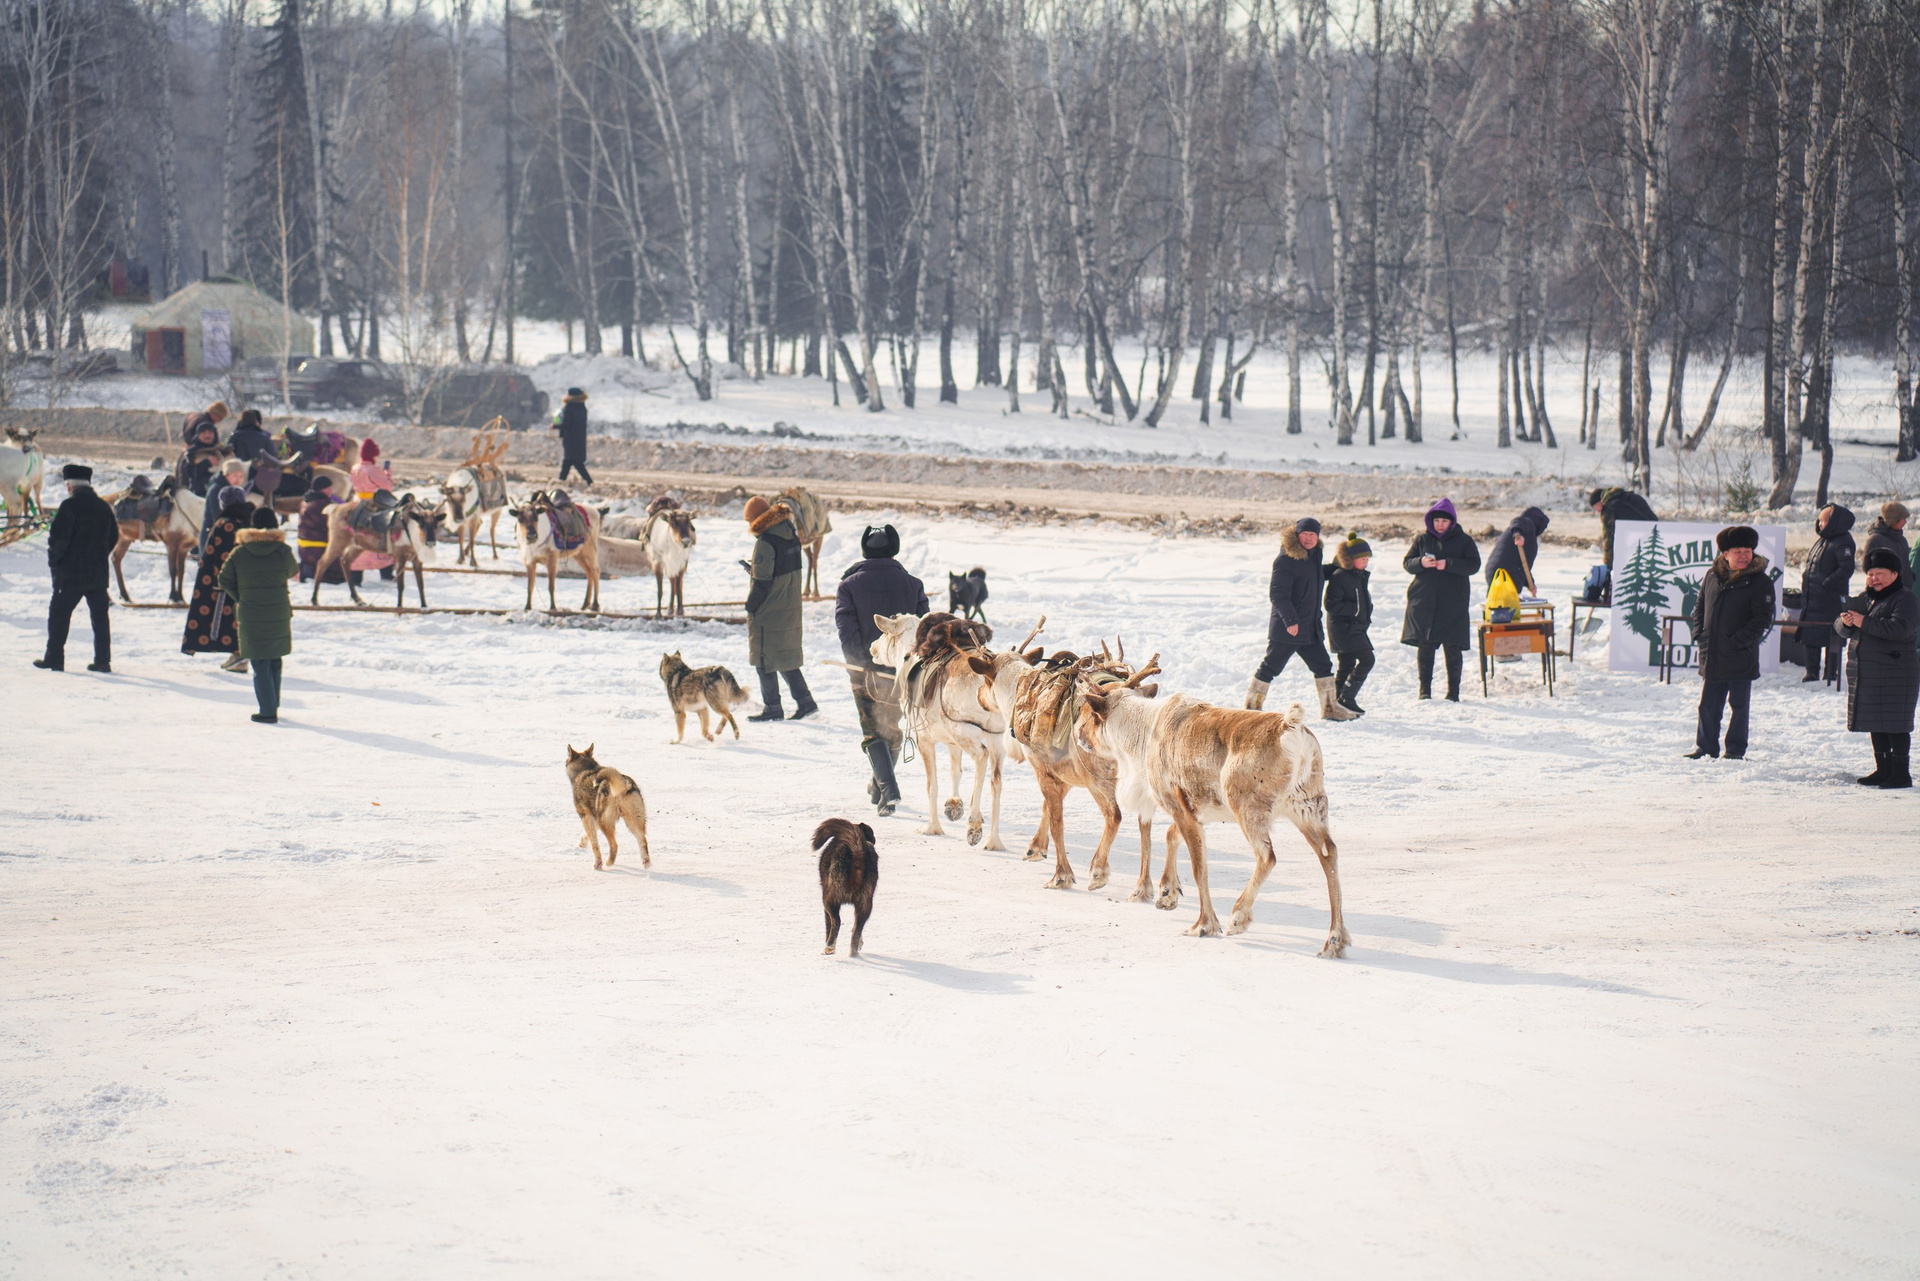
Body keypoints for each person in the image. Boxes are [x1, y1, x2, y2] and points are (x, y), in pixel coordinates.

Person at [834, 523, 929, 814]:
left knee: (873, 730)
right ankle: (880, 786)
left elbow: (847, 632)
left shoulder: (848, 586)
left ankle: (888, 790)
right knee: (893, 729)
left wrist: (859, 667)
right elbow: (924, 631)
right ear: (894, 549)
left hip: (866, 670)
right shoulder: (913, 584)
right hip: (905, 671)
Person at [1245, 518, 1354, 721]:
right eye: (1305, 534)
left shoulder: (1313, 556)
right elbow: (1278, 594)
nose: (1309, 538)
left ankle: (1330, 708)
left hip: (1309, 628)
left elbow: (1315, 576)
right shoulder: (1286, 560)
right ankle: (1251, 708)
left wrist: (1339, 564)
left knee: (1323, 666)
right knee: (1271, 667)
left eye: (1313, 535)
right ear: (1297, 535)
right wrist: (1290, 620)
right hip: (1288, 629)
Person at [1685, 525, 1774, 760]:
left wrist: (1738, 641)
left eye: (1748, 551)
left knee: (1739, 707)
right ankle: (1705, 747)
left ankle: (1734, 750)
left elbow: (1762, 619)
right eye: (1738, 551)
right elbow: (1700, 606)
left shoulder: (1760, 582)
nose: (1744, 556)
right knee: (1708, 706)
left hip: (1740, 655)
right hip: (1713, 654)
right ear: (1725, 554)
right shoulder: (1712, 576)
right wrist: (1699, 634)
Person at [1836, 548, 1919, 788]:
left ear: (1894, 574)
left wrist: (1863, 621)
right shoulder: (1867, 598)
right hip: (1871, 672)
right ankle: (1883, 770)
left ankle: (1901, 773)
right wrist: (1846, 622)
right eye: (1870, 574)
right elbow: (1840, 628)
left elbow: (1900, 628)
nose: (1874, 579)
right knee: (1876, 722)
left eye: (1880, 573)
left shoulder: (1905, 599)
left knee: (1896, 724)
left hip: (1897, 673)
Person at [34, 464, 120, 674]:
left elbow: (58, 539)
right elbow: (113, 536)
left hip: (70, 574)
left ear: (69, 486)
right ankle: (102, 661)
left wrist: (55, 562)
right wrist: (99, 555)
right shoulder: (103, 507)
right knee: (100, 619)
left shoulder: (69, 506)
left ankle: (54, 659)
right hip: (98, 574)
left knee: (59, 616)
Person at [219, 506, 298, 724]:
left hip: (251, 611)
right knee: (275, 658)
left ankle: (267, 711)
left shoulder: (240, 552)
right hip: (278, 610)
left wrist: (241, 596)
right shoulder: (282, 550)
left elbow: (224, 579)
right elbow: (292, 571)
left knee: (260, 661)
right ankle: (273, 704)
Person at [744, 494, 816, 721]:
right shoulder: (788, 534)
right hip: (789, 605)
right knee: (784, 656)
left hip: (770, 610)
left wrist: (751, 606)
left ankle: (773, 708)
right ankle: (806, 702)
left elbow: (763, 582)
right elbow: (779, 571)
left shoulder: (765, 542)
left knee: (763, 659)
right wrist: (754, 569)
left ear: (755, 520)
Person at [1401, 498, 1481, 701]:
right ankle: (1424, 690)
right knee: (1426, 647)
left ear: (1451, 522)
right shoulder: (1422, 539)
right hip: (1425, 603)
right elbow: (1408, 563)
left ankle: (1453, 692)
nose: (1440, 525)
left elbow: (1474, 565)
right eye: (1436, 521)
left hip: (1453, 604)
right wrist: (1421, 562)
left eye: (1444, 521)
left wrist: (1449, 564)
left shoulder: (1464, 541)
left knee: (1453, 648)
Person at [183, 486, 252, 671]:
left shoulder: (224, 524)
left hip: (223, 583)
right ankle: (239, 655)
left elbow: (216, 556)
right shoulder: (248, 522)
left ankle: (239, 655)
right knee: (240, 620)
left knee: (222, 619)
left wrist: (214, 582)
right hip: (247, 583)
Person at [1798, 504, 1856, 683]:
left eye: (1823, 521)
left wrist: (1826, 583)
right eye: (1819, 520)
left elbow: (1846, 569)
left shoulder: (1843, 541)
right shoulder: (1824, 540)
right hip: (1813, 599)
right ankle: (1811, 671)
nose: (1820, 524)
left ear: (1833, 522)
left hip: (1830, 600)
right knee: (1811, 635)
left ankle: (1831, 673)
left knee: (1833, 637)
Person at [1323, 532, 1374, 715]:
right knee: (1368, 659)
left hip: (1354, 627)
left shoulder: (1358, 575)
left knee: (1346, 664)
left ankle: (1335, 703)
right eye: (1362, 559)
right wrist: (1356, 609)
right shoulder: (1341, 576)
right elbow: (1331, 604)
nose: (1365, 562)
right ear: (1351, 559)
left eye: (1367, 559)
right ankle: (1348, 697)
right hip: (1343, 629)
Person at [1590, 486, 1659, 586]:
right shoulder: (1631, 497)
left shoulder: (1609, 508)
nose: (1597, 511)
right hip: (1655, 538)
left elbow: (1609, 539)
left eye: (1596, 506)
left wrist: (1608, 565)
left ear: (1600, 501)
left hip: (1636, 544)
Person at [349, 439, 395, 582]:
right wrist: (387, 473)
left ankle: (356, 575)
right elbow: (388, 486)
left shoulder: (355, 467)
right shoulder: (374, 469)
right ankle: (386, 572)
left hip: (357, 504)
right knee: (383, 536)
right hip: (373, 505)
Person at [1485, 506, 1550, 594]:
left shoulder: (1525, 534)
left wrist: (1531, 584)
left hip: (1495, 571)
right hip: (1506, 574)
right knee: (1506, 601)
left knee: (1498, 600)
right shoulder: (1527, 523)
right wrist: (1517, 535)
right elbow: (1517, 521)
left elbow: (1523, 565)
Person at [296, 475, 346, 584]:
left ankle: (307, 568)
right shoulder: (323, 505)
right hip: (317, 548)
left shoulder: (305, 502)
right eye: (329, 488)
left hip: (304, 549)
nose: (331, 490)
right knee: (339, 576)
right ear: (322, 489)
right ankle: (309, 571)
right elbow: (333, 526)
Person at [1862, 501, 1912, 592]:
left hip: (1904, 590)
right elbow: (1867, 567)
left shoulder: (1901, 539)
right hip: (1884, 592)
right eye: (1903, 519)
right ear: (1894, 520)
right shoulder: (1875, 540)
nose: (1905, 521)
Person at [200, 458, 249, 552]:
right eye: (235, 475)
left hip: (227, 537)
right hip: (214, 540)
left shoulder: (235, 491)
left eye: (241, 476)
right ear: (226, 474)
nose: (238, 479)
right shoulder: (217, 490)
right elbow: (218, 517)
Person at [178, 417, 226, 498]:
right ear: (198, 435)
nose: (207, 435)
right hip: (199, 493)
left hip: (220, 492)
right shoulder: (191, 452)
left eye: (210, 432)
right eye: (204, 432)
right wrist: (207, 463)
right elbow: (189, 473)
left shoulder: (220, 450)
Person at [553, 387, 592, 485]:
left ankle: (588, 481)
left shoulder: (569, 408)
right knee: (571, 461)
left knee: (573, 462)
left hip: (570, 439)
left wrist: (555, 426)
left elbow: (566, 424)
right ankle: (562, 480)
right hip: (580, 438)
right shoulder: (582, 408)